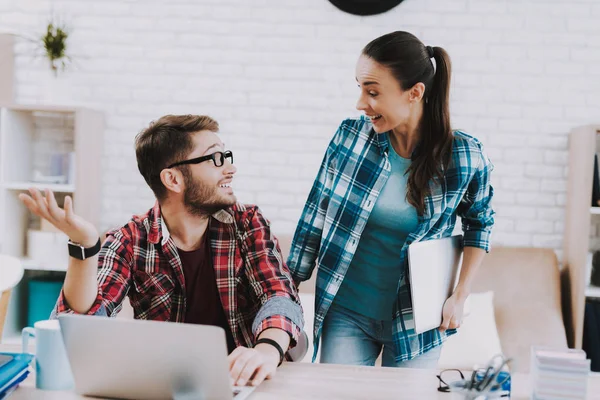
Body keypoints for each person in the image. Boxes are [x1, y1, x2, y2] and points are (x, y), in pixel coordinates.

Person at [19, 114, 304, 387]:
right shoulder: (130, 240)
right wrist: (85, 246)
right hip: (166, 384)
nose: (230, 169)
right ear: (173, 180)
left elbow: (279, 295)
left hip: (245, 380)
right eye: (216, 159)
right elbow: (77, 329)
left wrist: (266, 350)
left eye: (226, 157)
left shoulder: (246, 223)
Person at [287, 31, 494, 368]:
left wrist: (460, 294)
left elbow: (480, 224)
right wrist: (288, 285)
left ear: (414, 93)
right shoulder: (350, 138)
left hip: (417, 320)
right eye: (359, 89)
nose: (360, 103)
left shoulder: (463, 156)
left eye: (372, 92)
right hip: (347, 311)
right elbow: (315, 211)